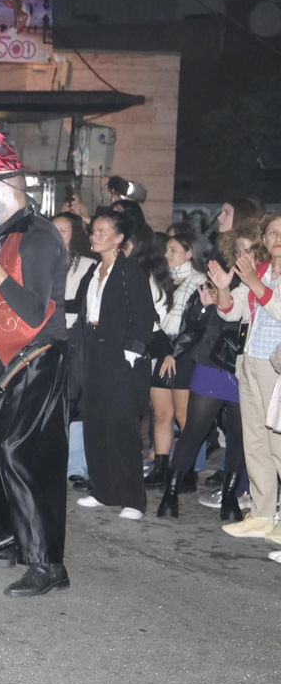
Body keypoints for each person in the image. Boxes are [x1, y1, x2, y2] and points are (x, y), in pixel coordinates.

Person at [0, 124, 70, 596]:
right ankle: (11, 542)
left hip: (40, 358)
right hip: (6, 360)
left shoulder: (40, 238)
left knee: (24, 456)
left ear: (7, 189)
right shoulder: (3, 235)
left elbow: (32, 310)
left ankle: (47, 565)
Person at [160, 222, 255, 520]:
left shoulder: (264, 278)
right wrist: (203, 306)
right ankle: (170, 494)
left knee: (240, 436)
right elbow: (195, 323)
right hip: (213, 361)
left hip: (246, 365)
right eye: (238, 249)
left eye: (249, 249)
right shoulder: (219, 275)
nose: (243, 255)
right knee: (193, 431)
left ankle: (230, 499)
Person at [72, 213, 156, 520]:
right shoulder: (94, 271)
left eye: (103, 231)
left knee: (123, 428)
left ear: (119, 238)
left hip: (120, 357)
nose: (95, 236)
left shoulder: (129, 271)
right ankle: (104, 489)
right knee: (95, 424)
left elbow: (145, 318)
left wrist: (131, 354)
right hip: (93, 352)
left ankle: (133, 499)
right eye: (93, 231)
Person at [210, 212, 281, 545]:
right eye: (271, 233)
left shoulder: (258, 277)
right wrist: (224, 290)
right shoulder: (262, 271)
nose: (277, 238)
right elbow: (232, 311)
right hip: (250, 363)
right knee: (254, 443)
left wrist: (253, 282)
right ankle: (263, 514)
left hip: (277, 370)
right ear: (264, 240)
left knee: (279, 444)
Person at [144, 230, 206, 488]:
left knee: (184, 415)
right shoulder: (161, 279)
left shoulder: (201, 281)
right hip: (162, 348)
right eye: (166, 250)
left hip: (186, 352)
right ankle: (161, 466)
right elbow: (152, 315)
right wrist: (163, 351)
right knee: (161, 414)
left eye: (173, 250)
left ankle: (186, 471)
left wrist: (175, 353)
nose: (166, 255)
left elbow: (197, 325)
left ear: (189, 253)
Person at [51, 213, 98, 489]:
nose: (58, 234)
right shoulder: (44, 261)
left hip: (73, 339)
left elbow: (79, 304)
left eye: (64, 230)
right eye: (54, 229)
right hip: (46, 340)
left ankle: (77, 465)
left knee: (75, 403)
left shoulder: (89, 265)